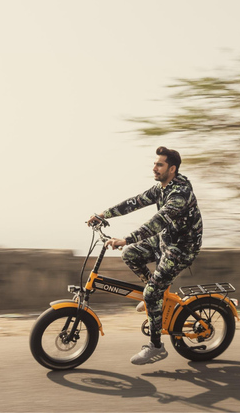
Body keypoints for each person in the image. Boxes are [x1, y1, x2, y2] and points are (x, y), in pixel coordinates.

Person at [87, 146, 203, 365]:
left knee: (149, 290)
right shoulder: (160, 188)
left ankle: (156, 347)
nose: (154, 168)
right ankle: (154, 296)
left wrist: (127, 238)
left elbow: (159, 220)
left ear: (172, 168)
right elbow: (134, 202)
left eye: (160, 164)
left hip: (182, 248)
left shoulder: (180, 193)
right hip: (164, 240)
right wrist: (102, 214)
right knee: (130, 254)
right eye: (155, 163)